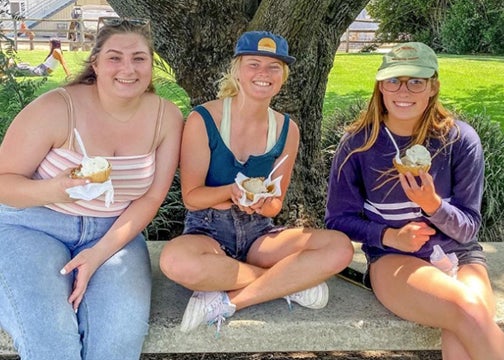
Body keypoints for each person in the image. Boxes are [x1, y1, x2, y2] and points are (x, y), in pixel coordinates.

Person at [0, 18, 183, 360]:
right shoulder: (56, 108)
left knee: (117, 342)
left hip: (114, 235)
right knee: (51, 343)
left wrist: (98, 254)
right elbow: (3, 183)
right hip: (31, 226)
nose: (127, 68)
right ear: (95, 64)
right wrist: (55, 190)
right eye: (115, 57)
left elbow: (152, 197)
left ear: (151, 64)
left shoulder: (166, 117)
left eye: (139, 58)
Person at [159, 30, 354, 333]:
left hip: (258, 235)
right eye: (253, 64)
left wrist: (263, 203)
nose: (263, 73)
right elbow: (192, 197)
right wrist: (231, 193)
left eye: (274, 67)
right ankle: (287, 281)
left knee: (340, 248)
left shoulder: (287, 129)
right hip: (207, 232)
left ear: (283, 76)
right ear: (236, 70)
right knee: (175, 262)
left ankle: (231, 299)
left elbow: (274, 206)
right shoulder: (203, 119)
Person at [325, 42, 504, 359]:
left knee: (466, 319)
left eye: (416, 81)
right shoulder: (358, 145)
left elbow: (468, 229)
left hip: (459, 254)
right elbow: (337, 218)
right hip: (393, 259)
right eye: (393, 80)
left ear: (433, 86)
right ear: (381, 86)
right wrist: (389, 235)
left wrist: (433, 204)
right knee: (468, 310)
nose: (403, 90)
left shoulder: (460, 140)